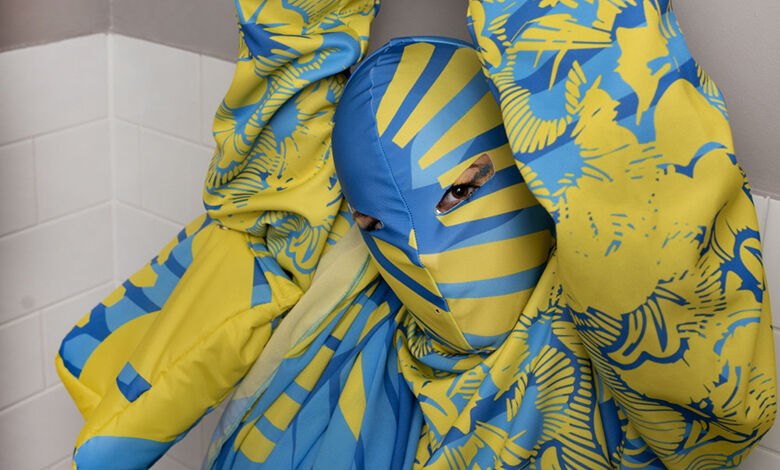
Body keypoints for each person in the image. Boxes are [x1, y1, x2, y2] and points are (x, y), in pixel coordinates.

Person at [57, 1, 776, 469]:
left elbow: (639, 186)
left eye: (459, 193)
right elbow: (277, 134)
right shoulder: (341, 294)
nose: (422, 255)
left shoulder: (623, 353)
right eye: (374, 225)